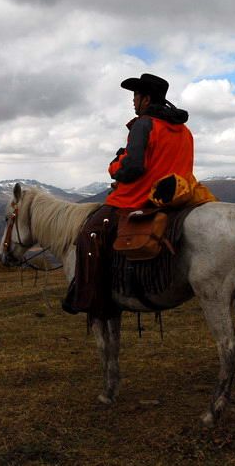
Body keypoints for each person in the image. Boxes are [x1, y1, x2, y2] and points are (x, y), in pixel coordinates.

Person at [61, 73, 195, 316]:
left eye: (135, 95)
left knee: (90, 232)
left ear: (146, 98)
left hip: (140, 196)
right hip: (177, 195)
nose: (132, 101)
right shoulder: (183, 129)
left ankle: (88, 297)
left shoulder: (145, 124)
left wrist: (114, 168)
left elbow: (133, 166)